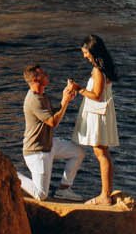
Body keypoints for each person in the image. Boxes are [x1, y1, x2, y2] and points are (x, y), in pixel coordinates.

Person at [18, 63, 86, 201]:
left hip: (48, 144)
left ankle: (63, 190)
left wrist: (64, 100)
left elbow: (52, 115)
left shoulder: (42, 95)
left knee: (78, 153)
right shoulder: (34, 100)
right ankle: (13, 174)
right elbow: (53, 122)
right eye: (43, 74)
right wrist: (65, 102)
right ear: (36, 80)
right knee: (41, 195)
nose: (47, 75)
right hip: (37, 151)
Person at [74, 34, 122, 206]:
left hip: (98, 113)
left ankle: (105, 195)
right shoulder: (104, 67)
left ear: (93, 51)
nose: (84, 55)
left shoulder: (97, 70)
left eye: (86, 52)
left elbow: (96, 95)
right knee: (102, 153)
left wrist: (78, 89)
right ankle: (106, 193)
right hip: (103, 112)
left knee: (101, 153)